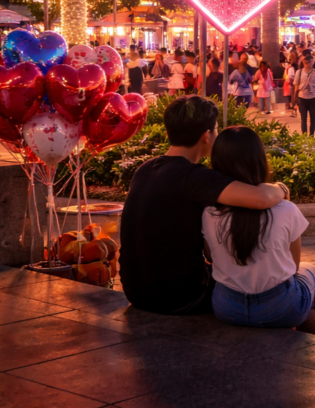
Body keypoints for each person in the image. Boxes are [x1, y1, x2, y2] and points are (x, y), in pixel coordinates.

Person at [119, 96, 286, 315]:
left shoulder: (146, 169)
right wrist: (282, 189)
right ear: (206, 136)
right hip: (181, 296)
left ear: (169, 132)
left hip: (136, 292)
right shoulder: (193, 178)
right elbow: (260, 199)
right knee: (269, 292)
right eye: (216, 129)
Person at [202, 126, 315, 341]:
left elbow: (211, 258)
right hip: (279, 308)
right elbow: (293, 268)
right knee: (310, 273)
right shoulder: (285, 209)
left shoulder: (209, 212)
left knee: (310, 310)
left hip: (227, 308)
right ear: (259, 160)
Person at [294, 55, 315, 136]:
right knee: (303, 119)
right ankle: (304, 136)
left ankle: (311, 135)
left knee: (312, 119)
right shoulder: (298, 72)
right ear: (307, 63)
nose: (312, 63)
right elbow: (296, 87)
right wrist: (295, 99)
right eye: (311, 62)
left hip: (313, 98)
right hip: (302, 98)